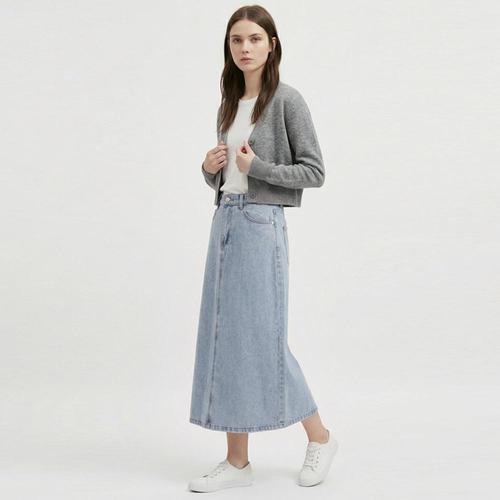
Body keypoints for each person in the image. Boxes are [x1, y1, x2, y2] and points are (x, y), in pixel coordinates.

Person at [188, 5, 339, 492]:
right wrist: (210, 169)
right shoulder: (229, 103)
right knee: (226, 339)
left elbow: (314, 172)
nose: (245, 48)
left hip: (261, 225)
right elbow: (229, 177)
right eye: (237, 40)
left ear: (272, 45)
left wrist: (259, 169)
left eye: (254, 39)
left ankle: (320, 437)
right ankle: (237, 462)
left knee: (263, 339)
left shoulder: (287, 100)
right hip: (225, 223)